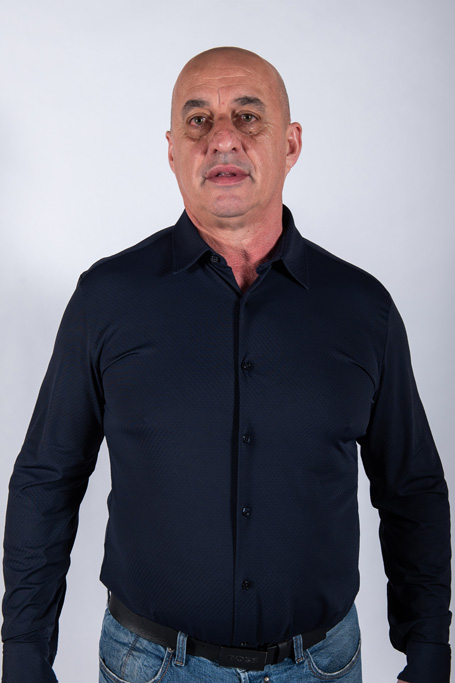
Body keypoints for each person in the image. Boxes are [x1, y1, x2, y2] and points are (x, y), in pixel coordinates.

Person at [1, 46, 451, 683]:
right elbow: (47, 478)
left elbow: (411, 488)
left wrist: (428, 648)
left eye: (248, 116)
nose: (222, 139)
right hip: (149, 666)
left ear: (290, 144)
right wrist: (23, 653)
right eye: (198, 121)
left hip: (321, 666)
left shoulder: (363, 309)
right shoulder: (107, 299)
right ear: (172, 151)